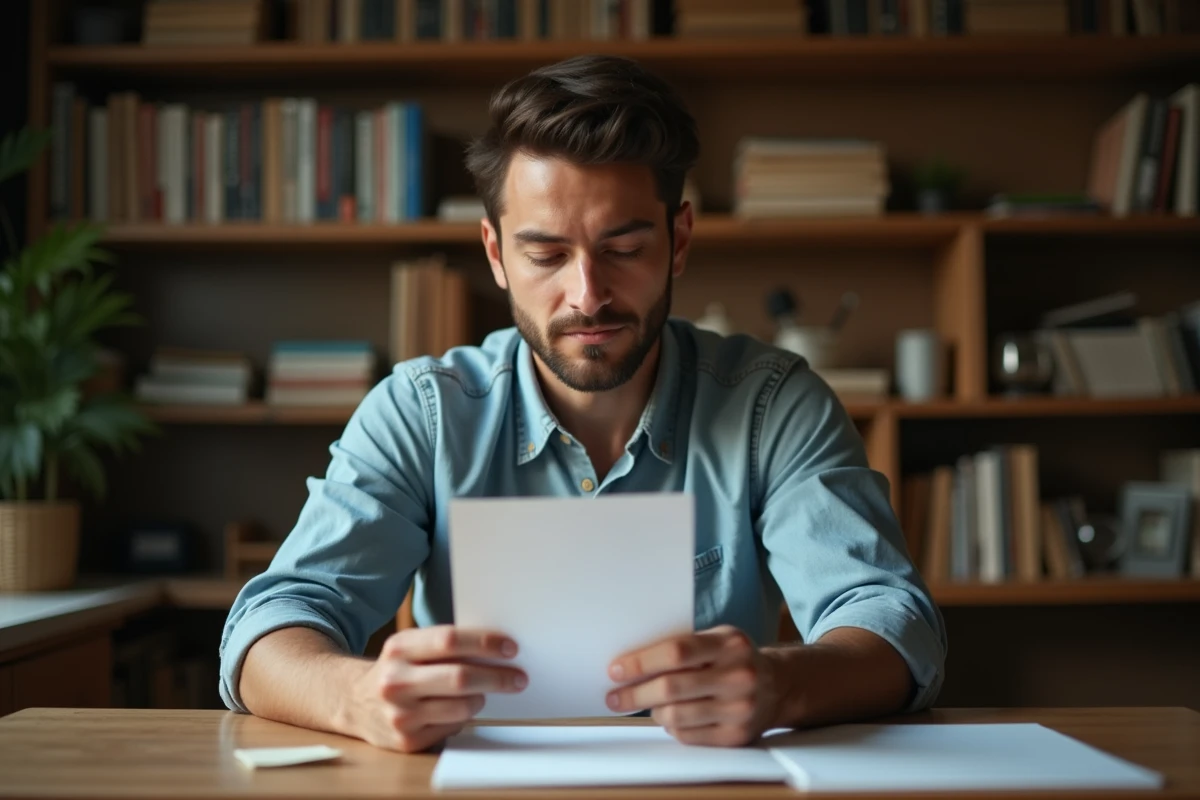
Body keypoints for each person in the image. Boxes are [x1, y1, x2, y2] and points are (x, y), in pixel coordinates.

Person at [220, 54, 947, 754]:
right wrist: (357, 696)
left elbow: (894, 623)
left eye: (623, 249)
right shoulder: (421, 413)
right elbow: (268, 627)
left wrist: (781, 685)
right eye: (546, 255)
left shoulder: (774, 405)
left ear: (679, 240)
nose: (588, 295)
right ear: (496, 254)